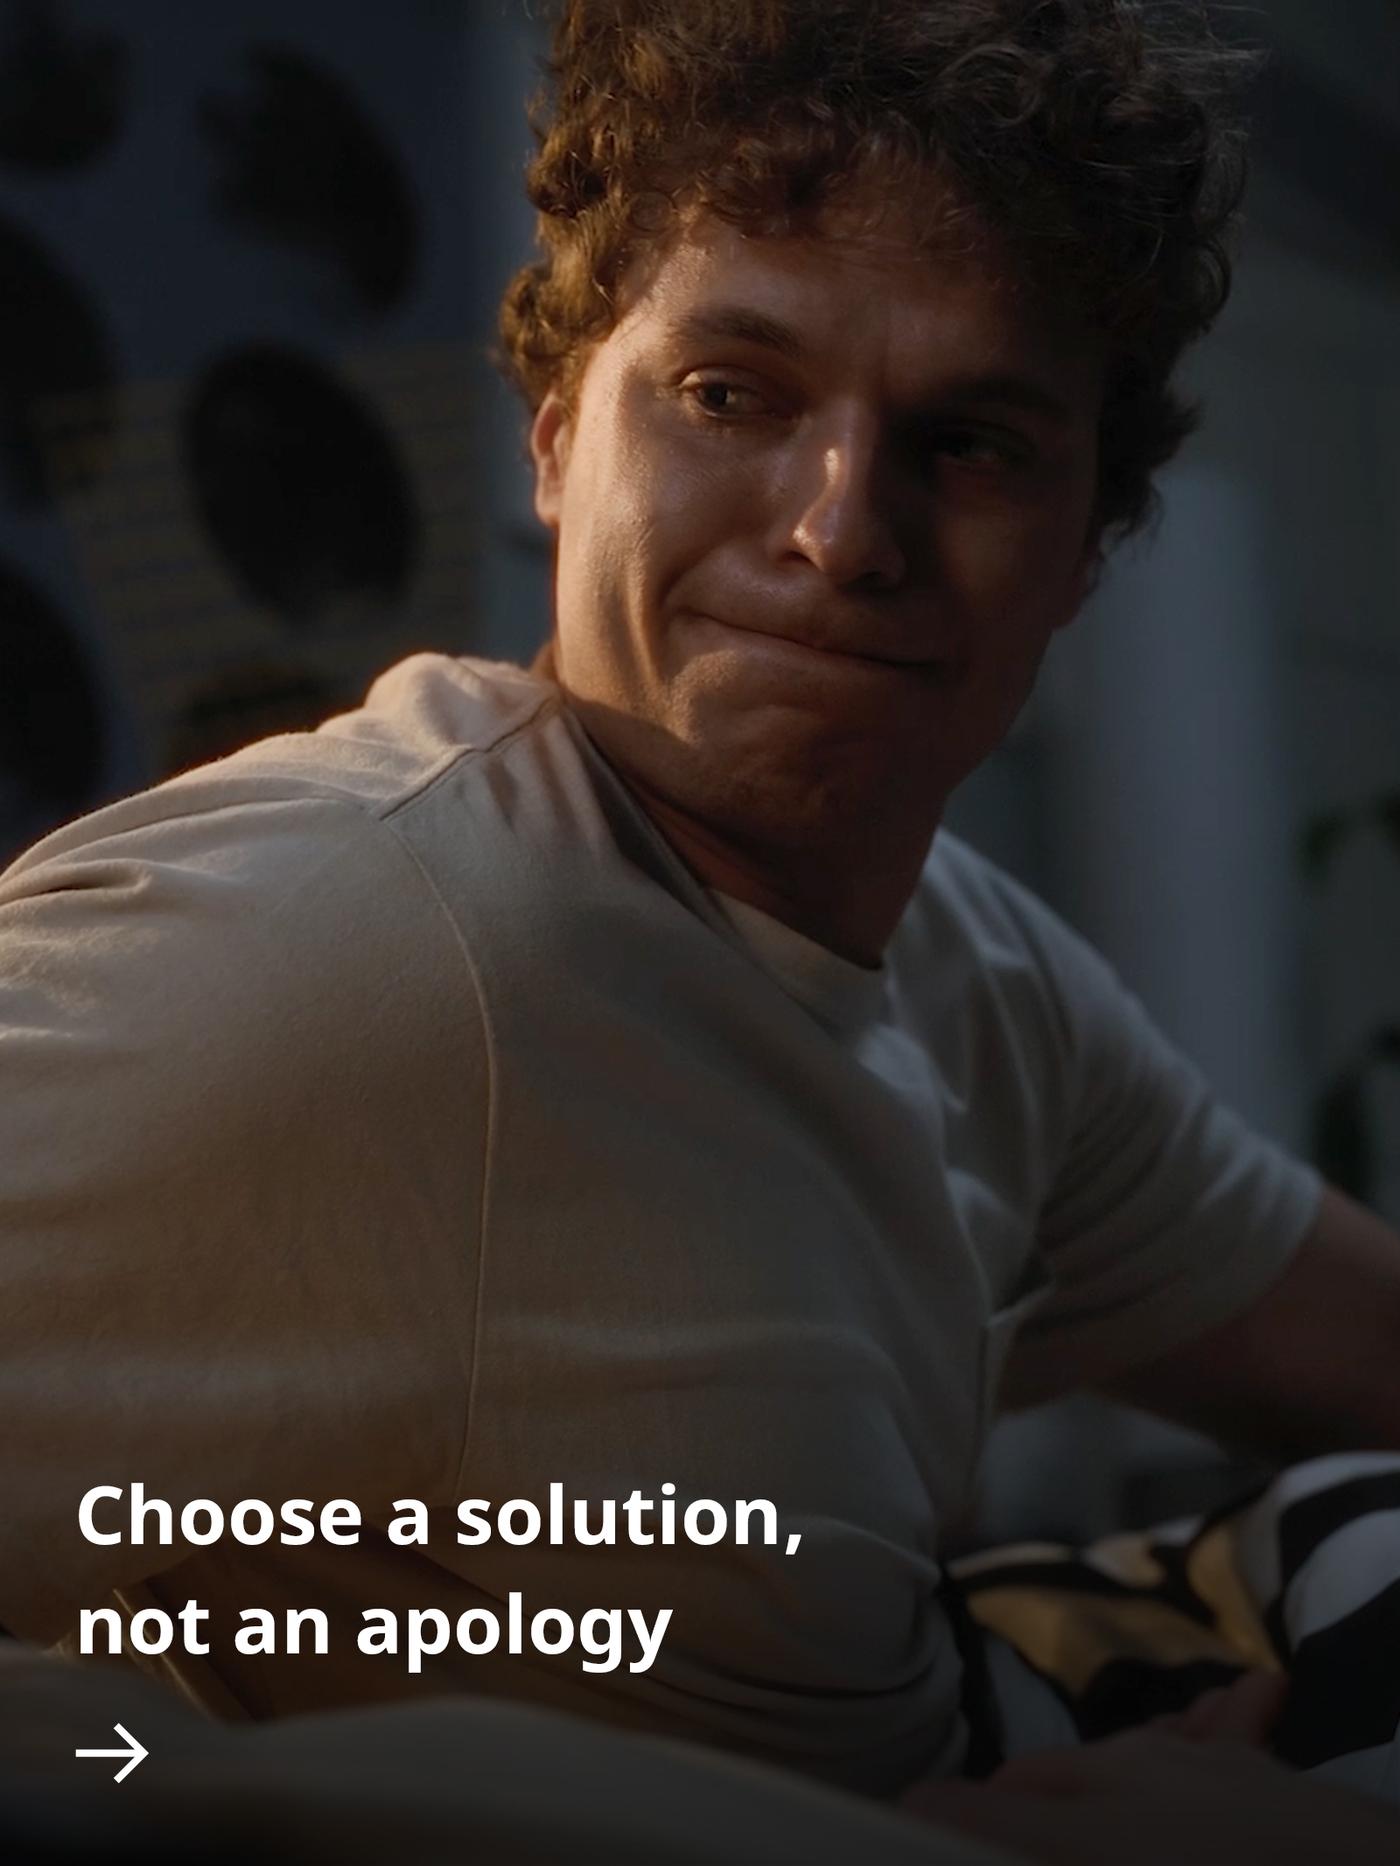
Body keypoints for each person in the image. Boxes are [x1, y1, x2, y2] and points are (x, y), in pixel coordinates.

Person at [1, 0, 1398, 1858]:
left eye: (971, 441)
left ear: (1084, 554)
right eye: (733, 394)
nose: (843, 530)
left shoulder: (980, 968)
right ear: (560, 441)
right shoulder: (329, 934)